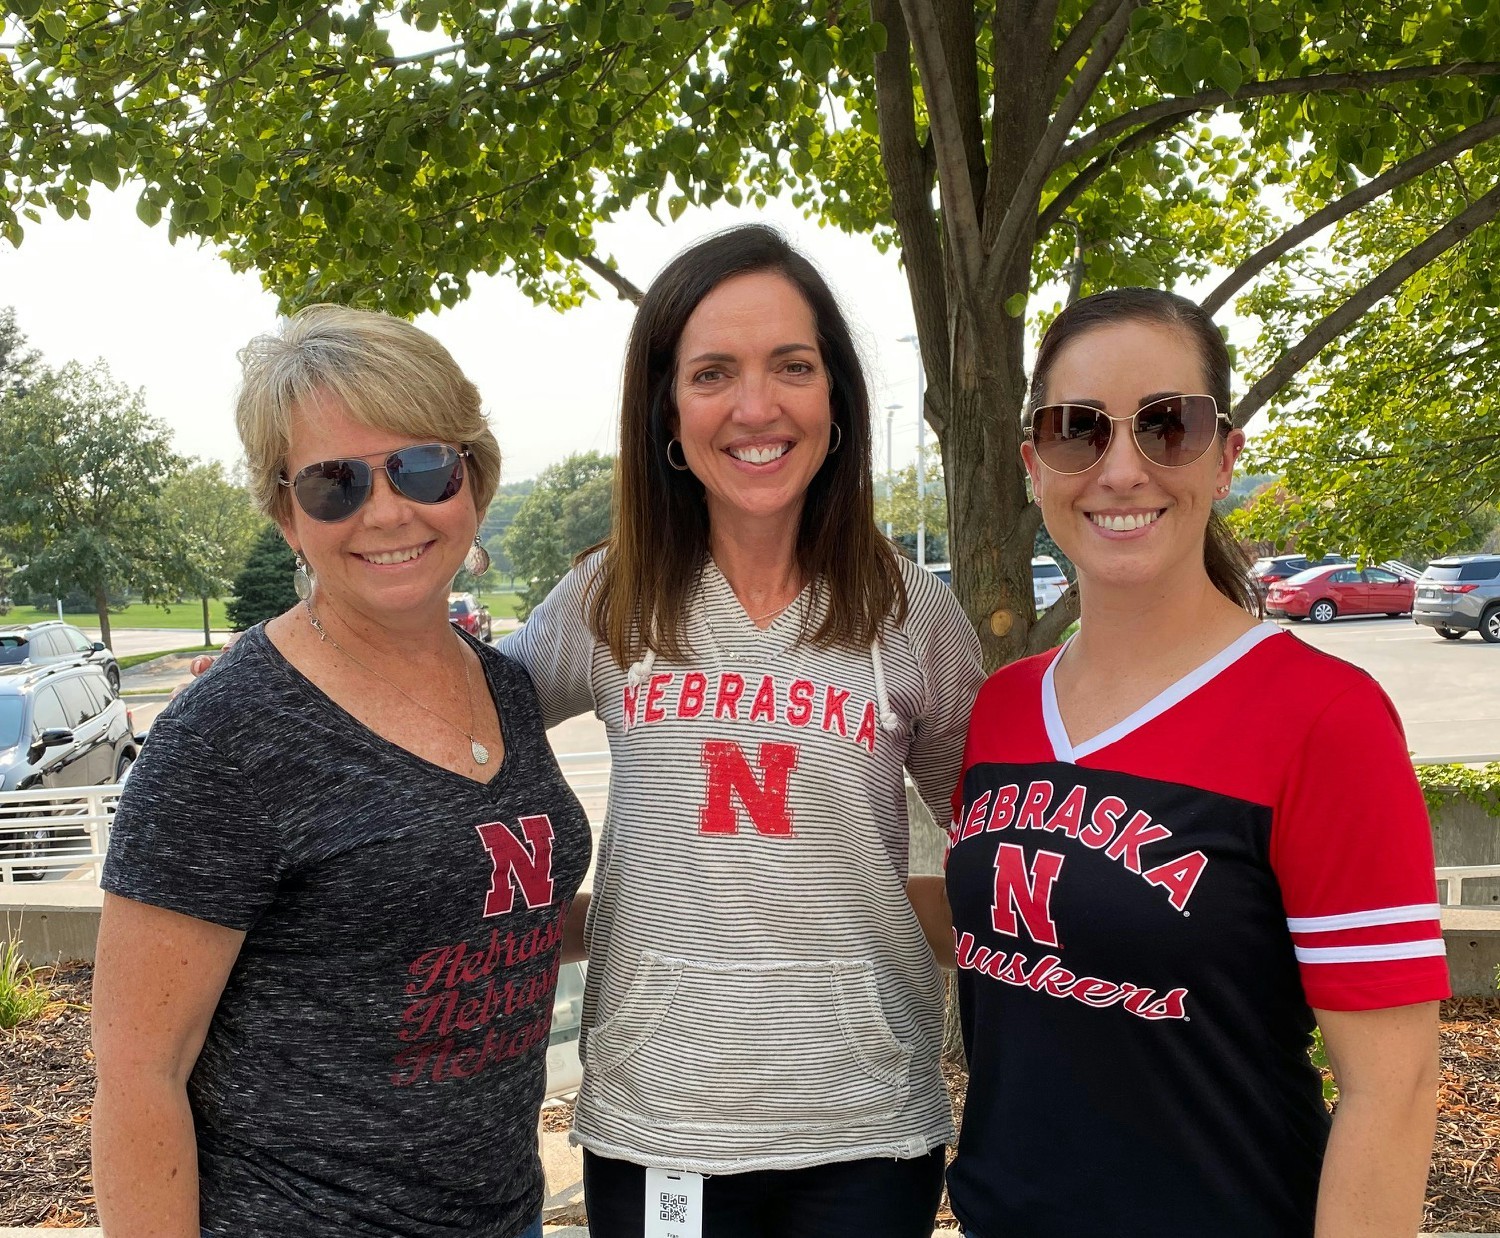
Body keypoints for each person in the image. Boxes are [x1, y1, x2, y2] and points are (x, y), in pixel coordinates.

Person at [502, 224, 984, 1238]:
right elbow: (456, 743)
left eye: (792, 367)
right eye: (714, 371)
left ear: (836, 401)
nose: (757, 406)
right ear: (668, 415)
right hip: (657, 1117)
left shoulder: (910, 611)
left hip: (865, 1121)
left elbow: (1000, 833)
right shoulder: (607, 596)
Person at [945, 287, 1448, 1237]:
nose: (1123, 468)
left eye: (1168, 426)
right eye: (1077, 429)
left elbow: (1397, 1087)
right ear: (1032, 465)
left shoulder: (1325, 718)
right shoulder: (1003, 706)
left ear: (1225, 458)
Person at [91, 305, 591, 1238]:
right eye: (335, 484)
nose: (389, 510)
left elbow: (480, 917)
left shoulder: (509, 690)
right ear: (285, 511)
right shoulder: (228, 734)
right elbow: (136, 1074)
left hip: (501, 1215)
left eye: (424, 466)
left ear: (473, 480)